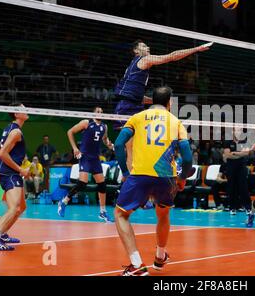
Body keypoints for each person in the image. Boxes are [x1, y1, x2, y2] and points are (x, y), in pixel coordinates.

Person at [114, 86, 192, 276]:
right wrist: (181, 179)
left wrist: (125, 171)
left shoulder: (137, 118)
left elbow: (117, 144)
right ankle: (159, 256)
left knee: (121, 214)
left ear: (151, 101)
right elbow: (188, 159)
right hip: (167, 177)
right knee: (163, 215)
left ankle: (137, 264)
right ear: (169, 103)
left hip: (140, 174)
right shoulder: (176, 122)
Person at [113, 40, 211, 175]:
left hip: (133, 106)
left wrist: (160, 101)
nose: (148, 47)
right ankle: (131, 179)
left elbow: (137, 97)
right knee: (131, 148)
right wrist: (196, 49)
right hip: (127, 108)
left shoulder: (133, 68)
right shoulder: (143, 59)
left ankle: (169, 167)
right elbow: (171, 56)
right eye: (143, 46)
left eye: (147, 45)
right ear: (136, 51)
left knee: (145, 144)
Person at [57, 107, 114, 222]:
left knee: (102, 184)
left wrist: (109, 144)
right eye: (98, 112)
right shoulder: (86, 123)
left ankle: (103, 212)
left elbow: (104, 139)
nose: (100, 114)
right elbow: (70, 132)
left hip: (95, 158)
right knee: (82, 183)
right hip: (85, 157)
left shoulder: (104, 126)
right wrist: (74, 148)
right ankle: (64, 201)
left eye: (102, 112)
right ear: (93, 113)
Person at [0, 103, 29, 251]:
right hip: (10, 173)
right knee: (15, 208)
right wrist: (20, 169)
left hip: (8, 172)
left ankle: (3, 234)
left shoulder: (9, 128)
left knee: (22, 207)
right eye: (23, 109)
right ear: (17, 114)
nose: (26, 110)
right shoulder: (15, 132)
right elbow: (2, 154)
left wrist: (17, 158)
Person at [222, 127, 252, 215]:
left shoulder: (244, 141)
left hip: (241, 167)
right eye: (237, 130)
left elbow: (246, 153)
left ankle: (248, 208)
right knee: (232, 187)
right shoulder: (228, 142)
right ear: (233, 131)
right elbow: (227, 154)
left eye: (240, 130)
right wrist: (239, 154)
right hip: (231, 167)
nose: (239, 132)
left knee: (243, 187)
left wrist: (234, 153)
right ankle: (232, 208)